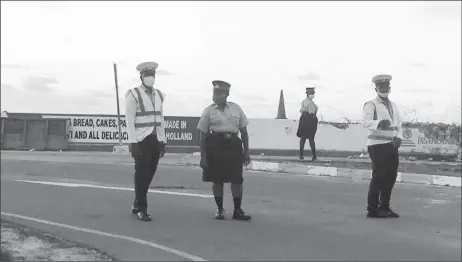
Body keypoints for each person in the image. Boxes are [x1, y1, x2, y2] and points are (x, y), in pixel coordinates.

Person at [197, 80, 252, 221]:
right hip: (215, 146)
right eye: (214, 92)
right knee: (217, 179)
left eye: (219, 93)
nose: (215, 95)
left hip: (233, 146)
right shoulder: (208, 111)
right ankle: (220, 209)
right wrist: (203, 157)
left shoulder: (236, 109)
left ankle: (237, 210)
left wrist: (246, 152)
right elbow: (202, 136)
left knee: (237, 179)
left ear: (226, 94)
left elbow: (244, 132)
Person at [125, 61, 167, 222]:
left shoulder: (160, 95)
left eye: (152, 75)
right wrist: (133, 142)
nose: (150, 78)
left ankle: (137, 203)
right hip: (141, 139)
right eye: (147, 75)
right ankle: (142, 208)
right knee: (141, 174)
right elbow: (129, 118)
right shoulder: (133, 94)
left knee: (150, 173)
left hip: (155, 139)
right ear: (141, 76)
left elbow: (161, 119)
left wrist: (163, 140)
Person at [363, 74, 403, 219]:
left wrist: (399, 138)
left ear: (389, 88)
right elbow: (365, 122)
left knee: (391, 177)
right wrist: (378, 123)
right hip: (377, 145)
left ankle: (384, 207)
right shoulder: (371, 104)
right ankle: (372, 209)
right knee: (379, 177)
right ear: (376, 88)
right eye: (381, 87)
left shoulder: (394, 106)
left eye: (386, 87)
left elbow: (399, 124)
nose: (384, 89)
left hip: (392, 146)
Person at [296, 86, 319, 161]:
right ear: (308, 94)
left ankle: (301, 155)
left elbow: (301, 111)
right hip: (310, 120)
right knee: (311, 139)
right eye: (311, 93)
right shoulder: (311, 103)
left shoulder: (303, 102)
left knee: (303, 138)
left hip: (303, 120)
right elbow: (312, 113)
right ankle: (314, 156)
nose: (312, 95)